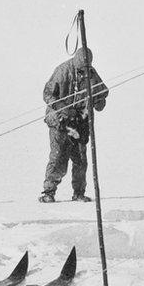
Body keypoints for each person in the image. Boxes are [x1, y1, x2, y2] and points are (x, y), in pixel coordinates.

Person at [39, 47, 107, 203]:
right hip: (60, 122)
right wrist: (64, 109)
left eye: (86, 68)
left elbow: (101, 92)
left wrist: (99, 101)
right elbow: (47, 94)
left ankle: (79, 192)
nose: (84, 71)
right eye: (81, 69)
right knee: (58, 158)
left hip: (80, 123)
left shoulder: (91, 73)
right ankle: (48, 192)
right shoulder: (63, 70)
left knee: (80, 159)